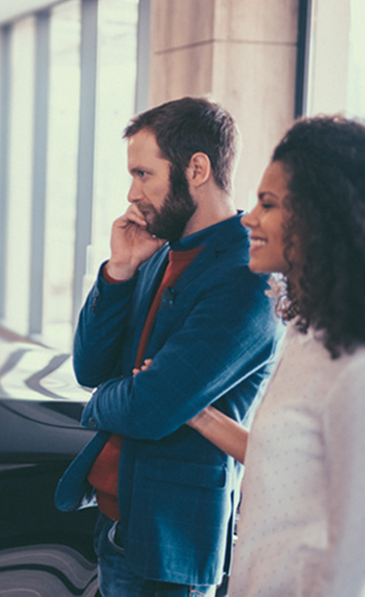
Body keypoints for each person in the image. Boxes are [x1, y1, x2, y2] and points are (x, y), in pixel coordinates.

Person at [54, 97, 281, 597]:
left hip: (171, 546)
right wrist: (119, 271)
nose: (132, 193)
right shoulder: (157, 252)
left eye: (143, 174)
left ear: (196, 169)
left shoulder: (247, 277)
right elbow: (90, 367)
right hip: (117, 526)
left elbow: (151, 408)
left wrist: (103, 401)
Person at [186, 116, 365, 596]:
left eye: (268, 204)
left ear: (319, 217)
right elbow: (285, 461)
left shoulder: (356, 370)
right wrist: (200, 416)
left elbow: (353, 561)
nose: (249, 217)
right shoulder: (307, 334)